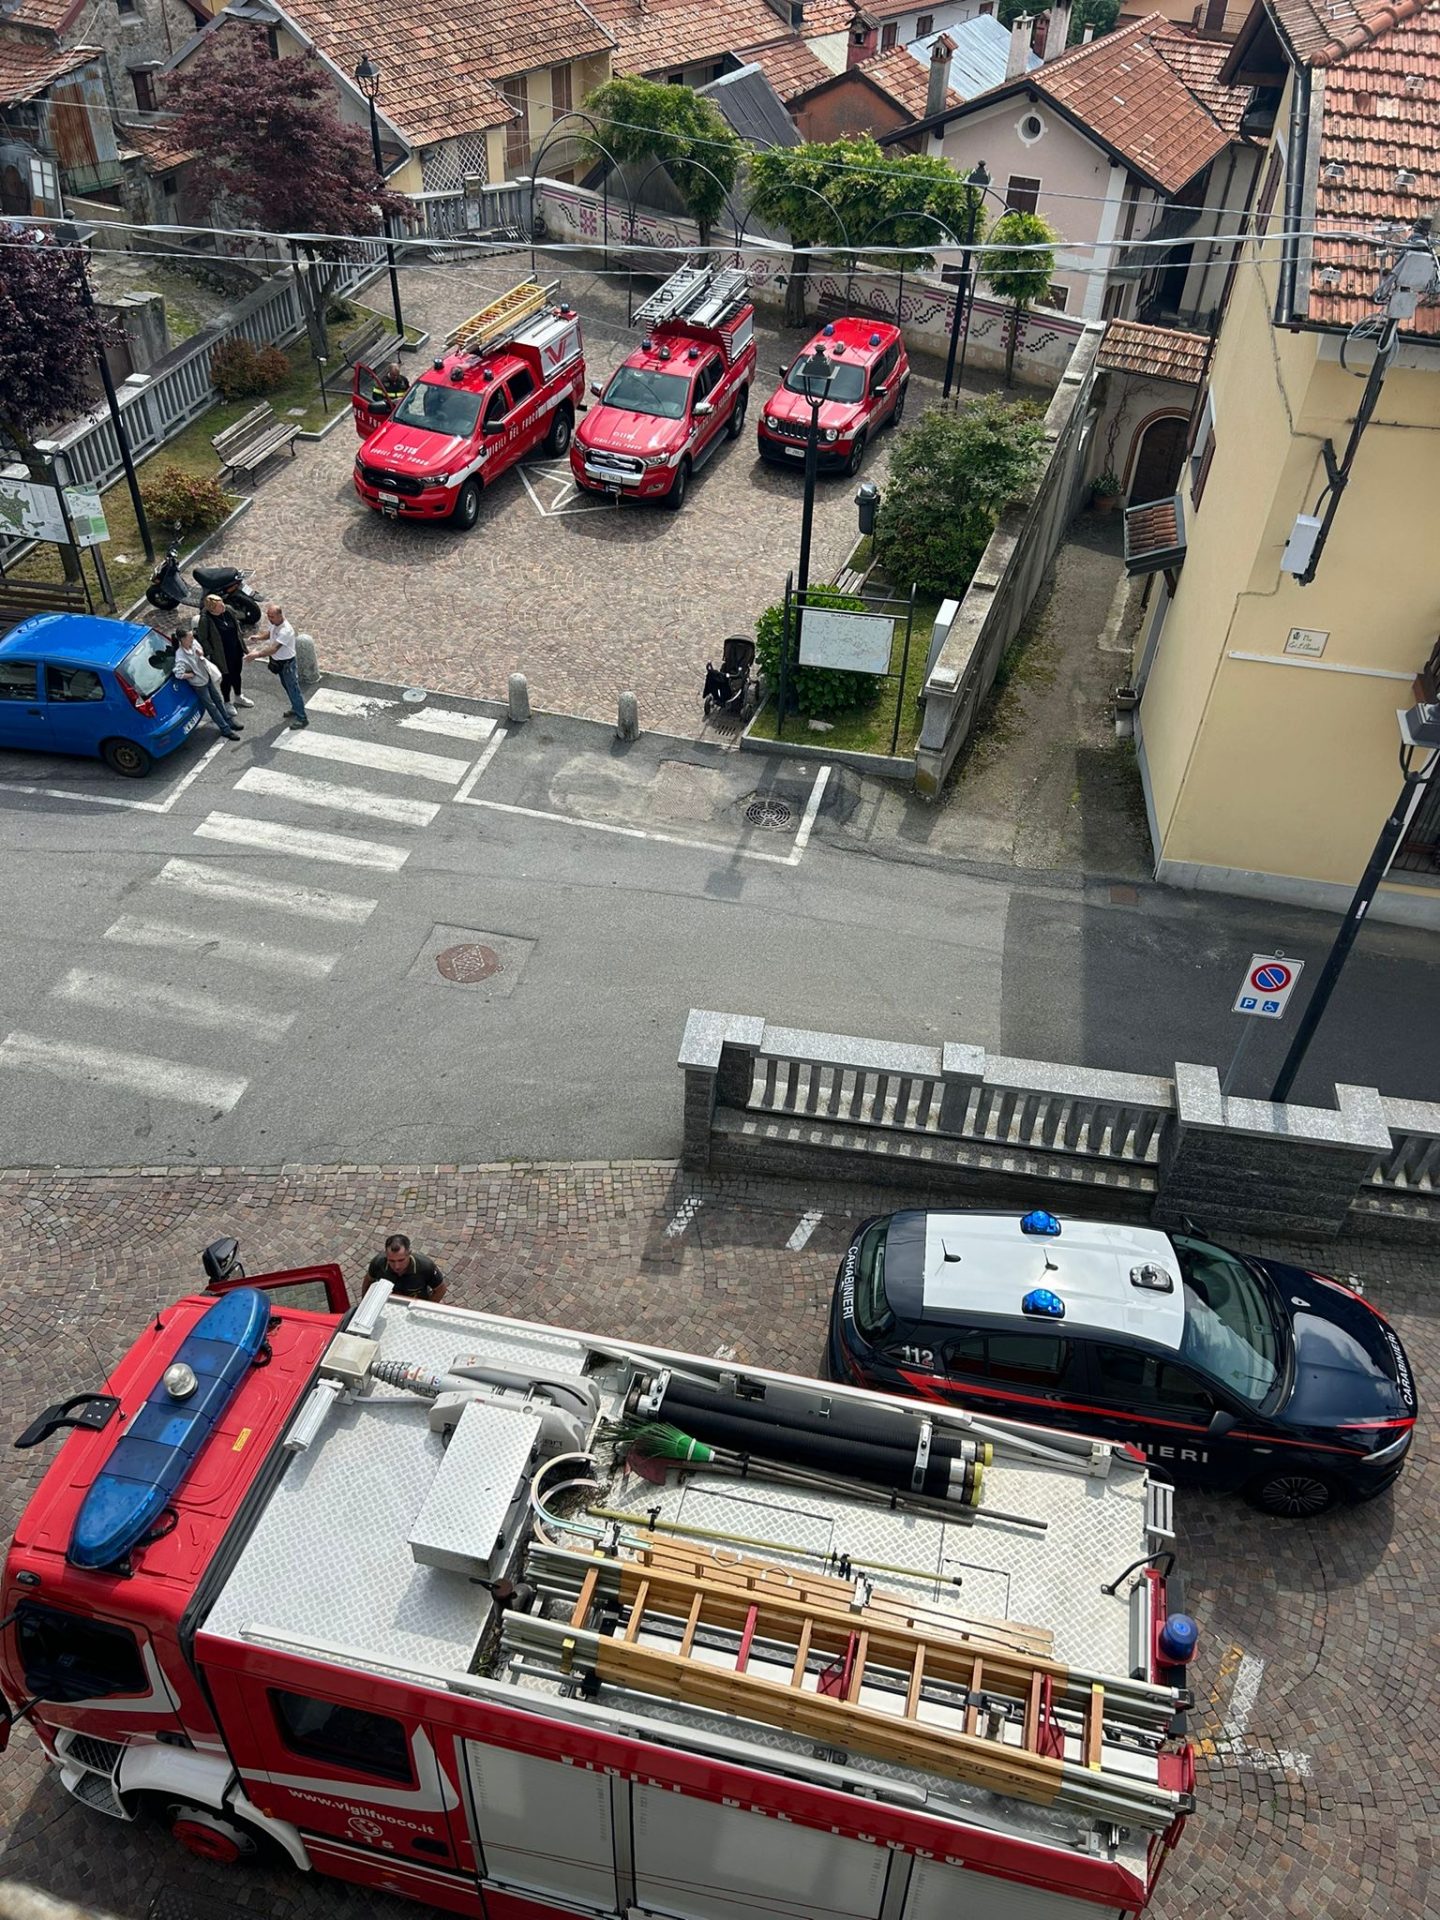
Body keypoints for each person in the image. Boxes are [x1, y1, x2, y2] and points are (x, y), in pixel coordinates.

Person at [172, 628, 242, 741]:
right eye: (190, 638)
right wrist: (191, 675)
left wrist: (201, 654)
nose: (192, 639)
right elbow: (178, 673)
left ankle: (229, 721)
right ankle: (225, 729)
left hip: (206, 677)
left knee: (218, 699)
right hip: (199, 684)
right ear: (183, 640)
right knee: (212, 707)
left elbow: (201, 651)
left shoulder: (193, 643)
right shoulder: (180, 656)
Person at [247, 603, 308, 729]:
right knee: (288, 688)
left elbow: (274, 649)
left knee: (293, 690)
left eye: (272, 617)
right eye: (268, 616)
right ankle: (295, 708)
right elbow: (270, 633)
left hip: (287, 665)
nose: (270, 619)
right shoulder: (275, 623)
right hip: (279, 663)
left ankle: (302, 718)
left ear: (280, 615)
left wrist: (256, 654)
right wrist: (258, 637)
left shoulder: (286, 631)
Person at [198, 593, 250, 710]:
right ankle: (227, 702)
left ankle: (238, 696)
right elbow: (203, 638)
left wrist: (243, 645)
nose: (223, 606)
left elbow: (237, 628)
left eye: (222, 603)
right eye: (220, 605)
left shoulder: (228, 611)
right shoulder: (206, 620)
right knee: (226, 678)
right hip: (222, 654)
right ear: (212, 609)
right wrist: (211, 652)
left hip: (236, 649)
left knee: (237, 674)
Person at [365, 1233, 447, 1302]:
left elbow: (440, 1290)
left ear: (409, 1253)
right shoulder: (378, 1263)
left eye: (401, 1260)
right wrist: (365, 1303)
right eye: (391, 1261)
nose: (397, 1266)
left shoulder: (425, 1267)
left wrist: (425, 1308)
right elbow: (368, 1281)